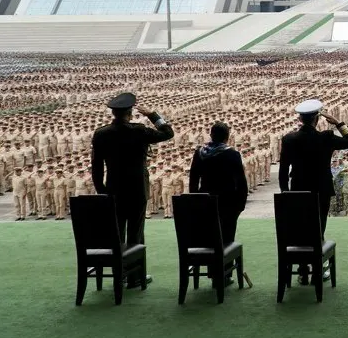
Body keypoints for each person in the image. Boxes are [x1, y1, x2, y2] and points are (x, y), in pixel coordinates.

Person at [90, 92, 174, 289]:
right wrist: (153, 115)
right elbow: (168, 133)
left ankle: (119, 273)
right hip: (136, 188)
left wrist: (101, 190)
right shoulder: (138, 131)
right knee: (136, 233)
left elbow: (96, 166)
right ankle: (135, 276)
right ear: (130, 113)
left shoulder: (101, 133)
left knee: (116, 232)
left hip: (113, 189)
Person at [279, 99, 348, 284]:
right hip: (321, 189)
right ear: (317, 119)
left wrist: (285, 192)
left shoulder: (289, 139)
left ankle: (302, 270)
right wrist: (338, 123)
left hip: (297, 190)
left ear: (300, 118)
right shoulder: (326, 137)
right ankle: (316, 269)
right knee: (318, 228)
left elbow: (283, 170)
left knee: (299, 229)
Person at [188, 122, 249, 286]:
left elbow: (193, 180)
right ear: (227, 136)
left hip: (205, 200)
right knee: (227, 237)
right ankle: (223, 274)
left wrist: (195, 200)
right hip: (227, 202)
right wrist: (241, 203)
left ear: (211, 135)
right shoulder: (232, 155)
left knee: (208, 236)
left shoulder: (199, 153)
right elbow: (241, 182)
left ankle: (213, 272)